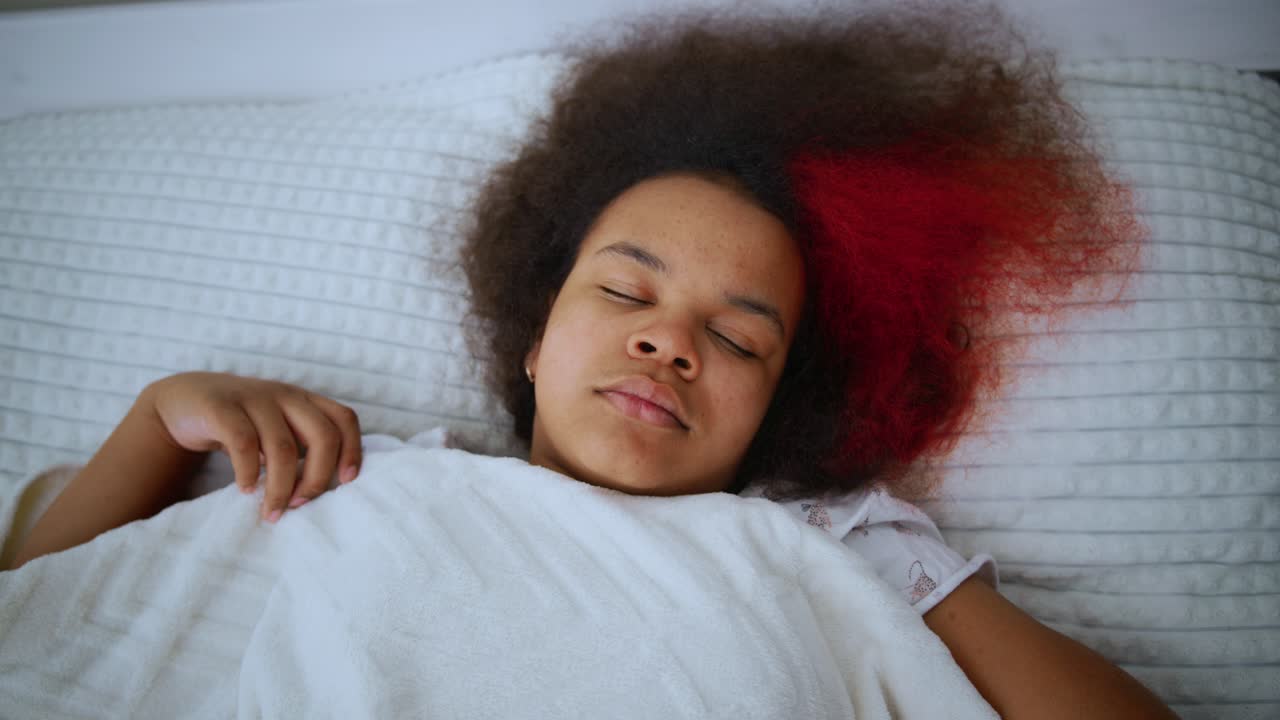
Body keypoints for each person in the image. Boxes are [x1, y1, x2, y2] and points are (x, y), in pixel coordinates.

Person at [7, 2, 1176, 718]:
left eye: (735, 339)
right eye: (625, 290)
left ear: (775, 413)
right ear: (531, 334)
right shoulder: (366, 475)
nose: (668, 340)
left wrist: (927, 586)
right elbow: (43, 625)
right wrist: (160, 422)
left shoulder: (826, 548)